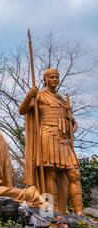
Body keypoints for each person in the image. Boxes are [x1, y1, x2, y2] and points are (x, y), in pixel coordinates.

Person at [19, 68, 83, 215]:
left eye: (56, 77)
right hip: (48, 135)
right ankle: (50, 210)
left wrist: (72, 125)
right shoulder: (39, 96)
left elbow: (73, 121)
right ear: (45, 79)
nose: (55, 79)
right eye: (51, 77)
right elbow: (22, 110)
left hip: (64, 139)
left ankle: (79, 213)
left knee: (74, 174)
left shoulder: (62, 100)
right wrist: (29, 95)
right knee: (51, 174)